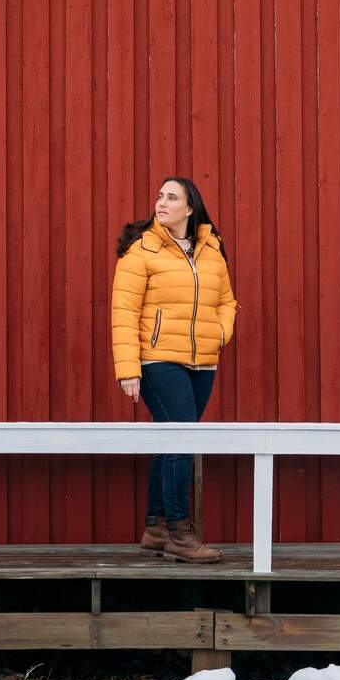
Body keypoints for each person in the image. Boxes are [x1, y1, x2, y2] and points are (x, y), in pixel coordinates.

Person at [110, 176, 238, 563]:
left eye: (171, 197)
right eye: (159, 196)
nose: (161, 202)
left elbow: (228, 301)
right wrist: (128, 368)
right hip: (158, 360)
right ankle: (181, 533)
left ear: (189, 208)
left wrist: (219, 332)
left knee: (171, 441)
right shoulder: (141, 251)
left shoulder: (211, 250)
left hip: (201, 362)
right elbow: (124, 312)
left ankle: (156, 528)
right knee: (183, 439)